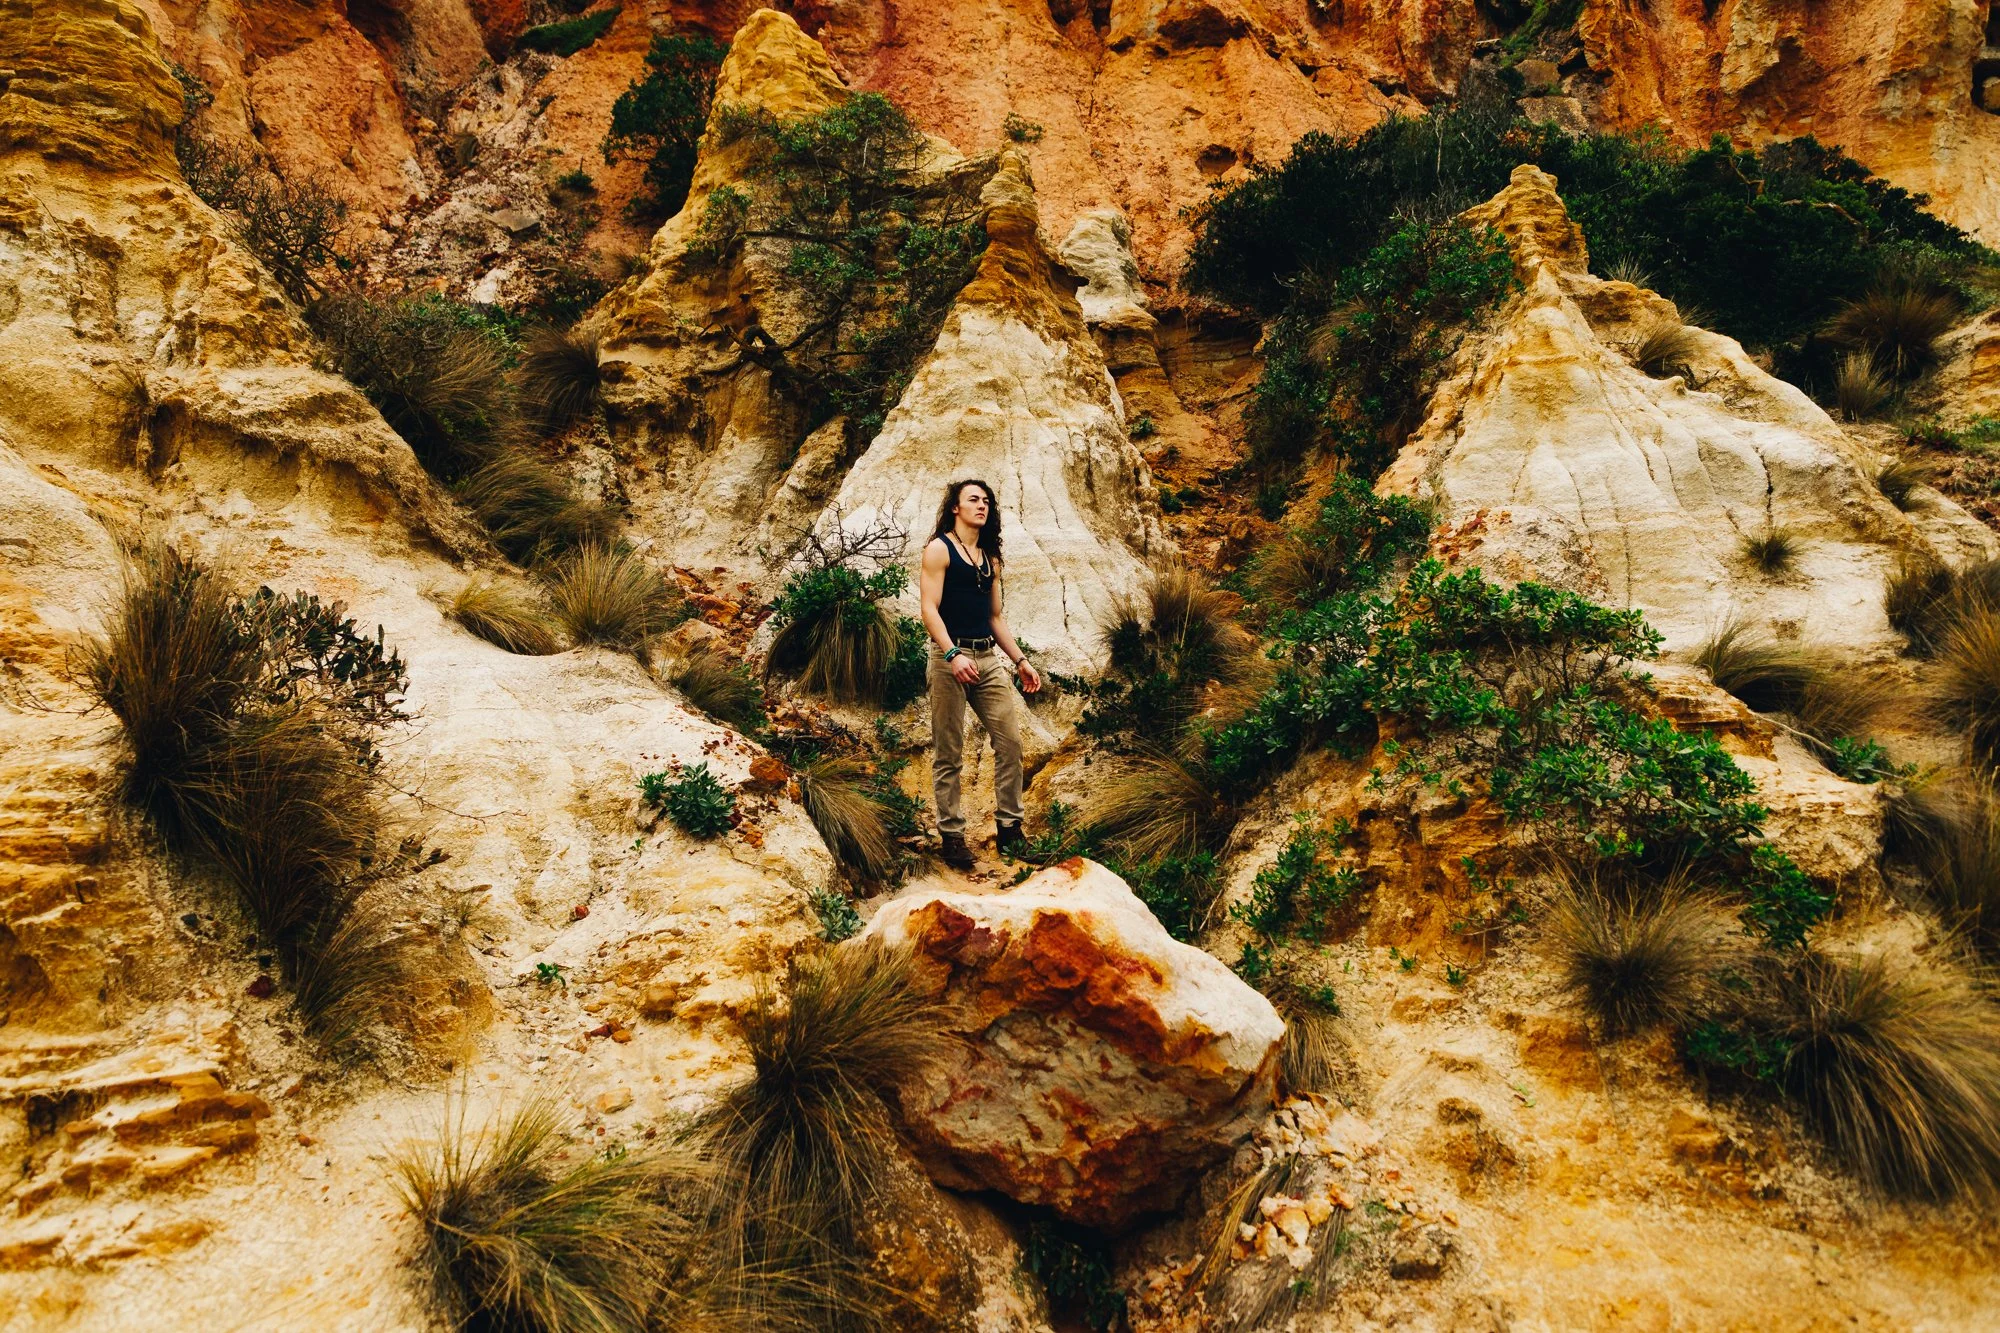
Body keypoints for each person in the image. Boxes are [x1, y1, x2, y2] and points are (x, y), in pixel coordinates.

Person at [918, 478, 1042, 870]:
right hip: (948, 659)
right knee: (949, 751)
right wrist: (952, 653)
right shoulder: (939, 550)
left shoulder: (991, 558)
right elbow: (928, 610)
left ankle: (1010, 831)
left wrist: (1020, 660)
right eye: (973, 499)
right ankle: (952, 836)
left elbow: (994, 617)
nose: (981, 505)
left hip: (987, 659)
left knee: (1010, 743)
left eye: (986, 500)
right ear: (955, 507)